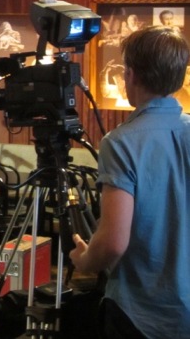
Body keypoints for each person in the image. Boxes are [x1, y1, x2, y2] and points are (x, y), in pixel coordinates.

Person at [70, 26, 190, 339]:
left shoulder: (121, 142)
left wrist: (85, 260)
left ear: (131, 74)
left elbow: (112, 242)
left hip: (140, 313)